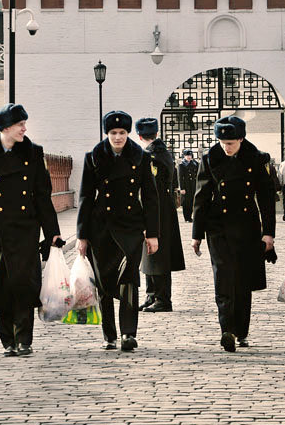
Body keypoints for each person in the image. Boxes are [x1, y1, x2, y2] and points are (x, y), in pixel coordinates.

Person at [0, 103, 62, 356]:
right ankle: (7, 340)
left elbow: (42, 196)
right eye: (20, 125)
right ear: (5, 128)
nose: (24, 129)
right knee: (2, 285)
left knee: (25, 284)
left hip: (27, 228)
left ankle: (24, 339)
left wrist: (53, 233)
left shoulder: (33, 153)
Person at [190, 116, 277, 351]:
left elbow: (267, 197)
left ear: (241, 138)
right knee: (223, 277)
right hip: (218, 227)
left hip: (247, 226)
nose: (226, 148)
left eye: (231, 143)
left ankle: (242, 331)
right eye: (222, 143)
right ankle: (226, 329)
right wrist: (196, 234)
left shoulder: (255, 159)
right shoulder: (210, 160)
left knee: (243, 280)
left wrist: (268, 233)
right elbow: (201, 197)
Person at [76, 111, 159, 352]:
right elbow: (85, 197)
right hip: (100, 227)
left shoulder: (140, 157)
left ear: (128, 133)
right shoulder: (93, 157)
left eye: (122, 133)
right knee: (104, 283)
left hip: (131, 226)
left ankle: (128, 333)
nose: (118, 137)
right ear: (107, 134)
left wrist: (152, 233)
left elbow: (151, 198)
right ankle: (109, 335)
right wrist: (82, 235)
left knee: (129, 279)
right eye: (113, 133)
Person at [135, 117, 185, 313]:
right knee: (149, 254)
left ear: (139, 136)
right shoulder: (161, 153)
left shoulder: (152, 156)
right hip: (162, 206)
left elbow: (151, 187)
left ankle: (163, 298)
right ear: (156, 133)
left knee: (158, 255)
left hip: (157, 208)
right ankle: (152, 294)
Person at [177, 150, 199, 222]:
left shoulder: (195, 164)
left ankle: (192, 217)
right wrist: (182, 188)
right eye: (187, 155)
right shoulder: (182, 165)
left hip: (194, 185)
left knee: (193, 201)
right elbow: (180, 177)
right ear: (184, 156)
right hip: (186, 186)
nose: (189, 157)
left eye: (190, 155)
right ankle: (187, 217)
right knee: (186, 202)